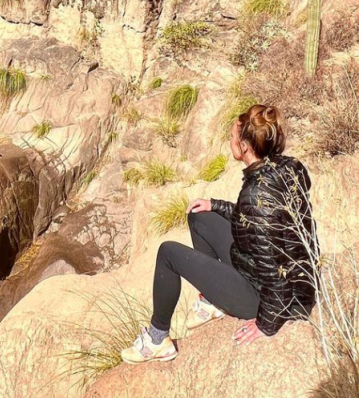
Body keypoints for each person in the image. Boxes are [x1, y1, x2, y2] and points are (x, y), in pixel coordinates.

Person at [121, 103, 318, 365]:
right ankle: (212, 301)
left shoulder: (256, 194)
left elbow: (274, 270)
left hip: (264, 296)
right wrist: (215, 205)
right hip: (285, 276)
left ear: (245, 146)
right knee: (198, 215)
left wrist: (266, 324)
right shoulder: (288, 166)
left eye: (232, 138)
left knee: (168, 253)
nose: (229, 141)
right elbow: (262, 219)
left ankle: (157, 340)